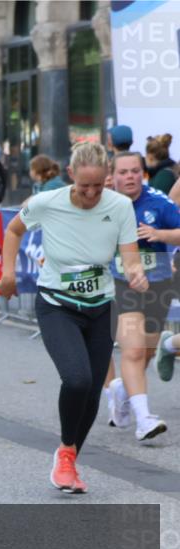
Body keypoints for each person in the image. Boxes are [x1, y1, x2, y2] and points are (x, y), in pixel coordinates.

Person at [0, 142, 148, 494]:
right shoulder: (47, 203)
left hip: (101, 305)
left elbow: (129, 256)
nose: (93, 193)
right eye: (85, 186)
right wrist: (7, 273)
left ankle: (68, 457)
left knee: (93, 391)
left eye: (100, 185)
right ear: (71, 176)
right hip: (57, 304)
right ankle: (66, 453)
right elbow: (14, 230)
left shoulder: (121, 206)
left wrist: (136, 272)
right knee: (77, 379)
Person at [103, 152, 180, 440]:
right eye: (123, 172)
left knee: (146, 352)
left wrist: (160, 235)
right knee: (133, 350)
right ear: (113, 176)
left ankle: (123, 389)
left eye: (135, 171)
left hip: (157, 285)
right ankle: (144, 419)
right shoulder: (102, 204)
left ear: (143, 174)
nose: (130, 177)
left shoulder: (158, 202)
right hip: (121, 284)